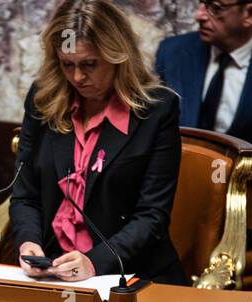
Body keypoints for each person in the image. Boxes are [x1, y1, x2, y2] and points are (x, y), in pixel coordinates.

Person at [11, 0, 187, 285]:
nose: (78, 77)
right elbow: (25, 195)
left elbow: (151, 216)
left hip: (129, 273)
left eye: (89, 65)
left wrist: (95, 262)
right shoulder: (43, 100)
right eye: (67, 65)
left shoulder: (156, 110)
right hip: (53, 271)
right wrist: (29, 244)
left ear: (117, 56)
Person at [155, 1, 252, 160]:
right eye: (201, 3)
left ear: (249, 14)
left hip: (248, 180)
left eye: (215, 8)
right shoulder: (172, 53)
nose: (199, 15)